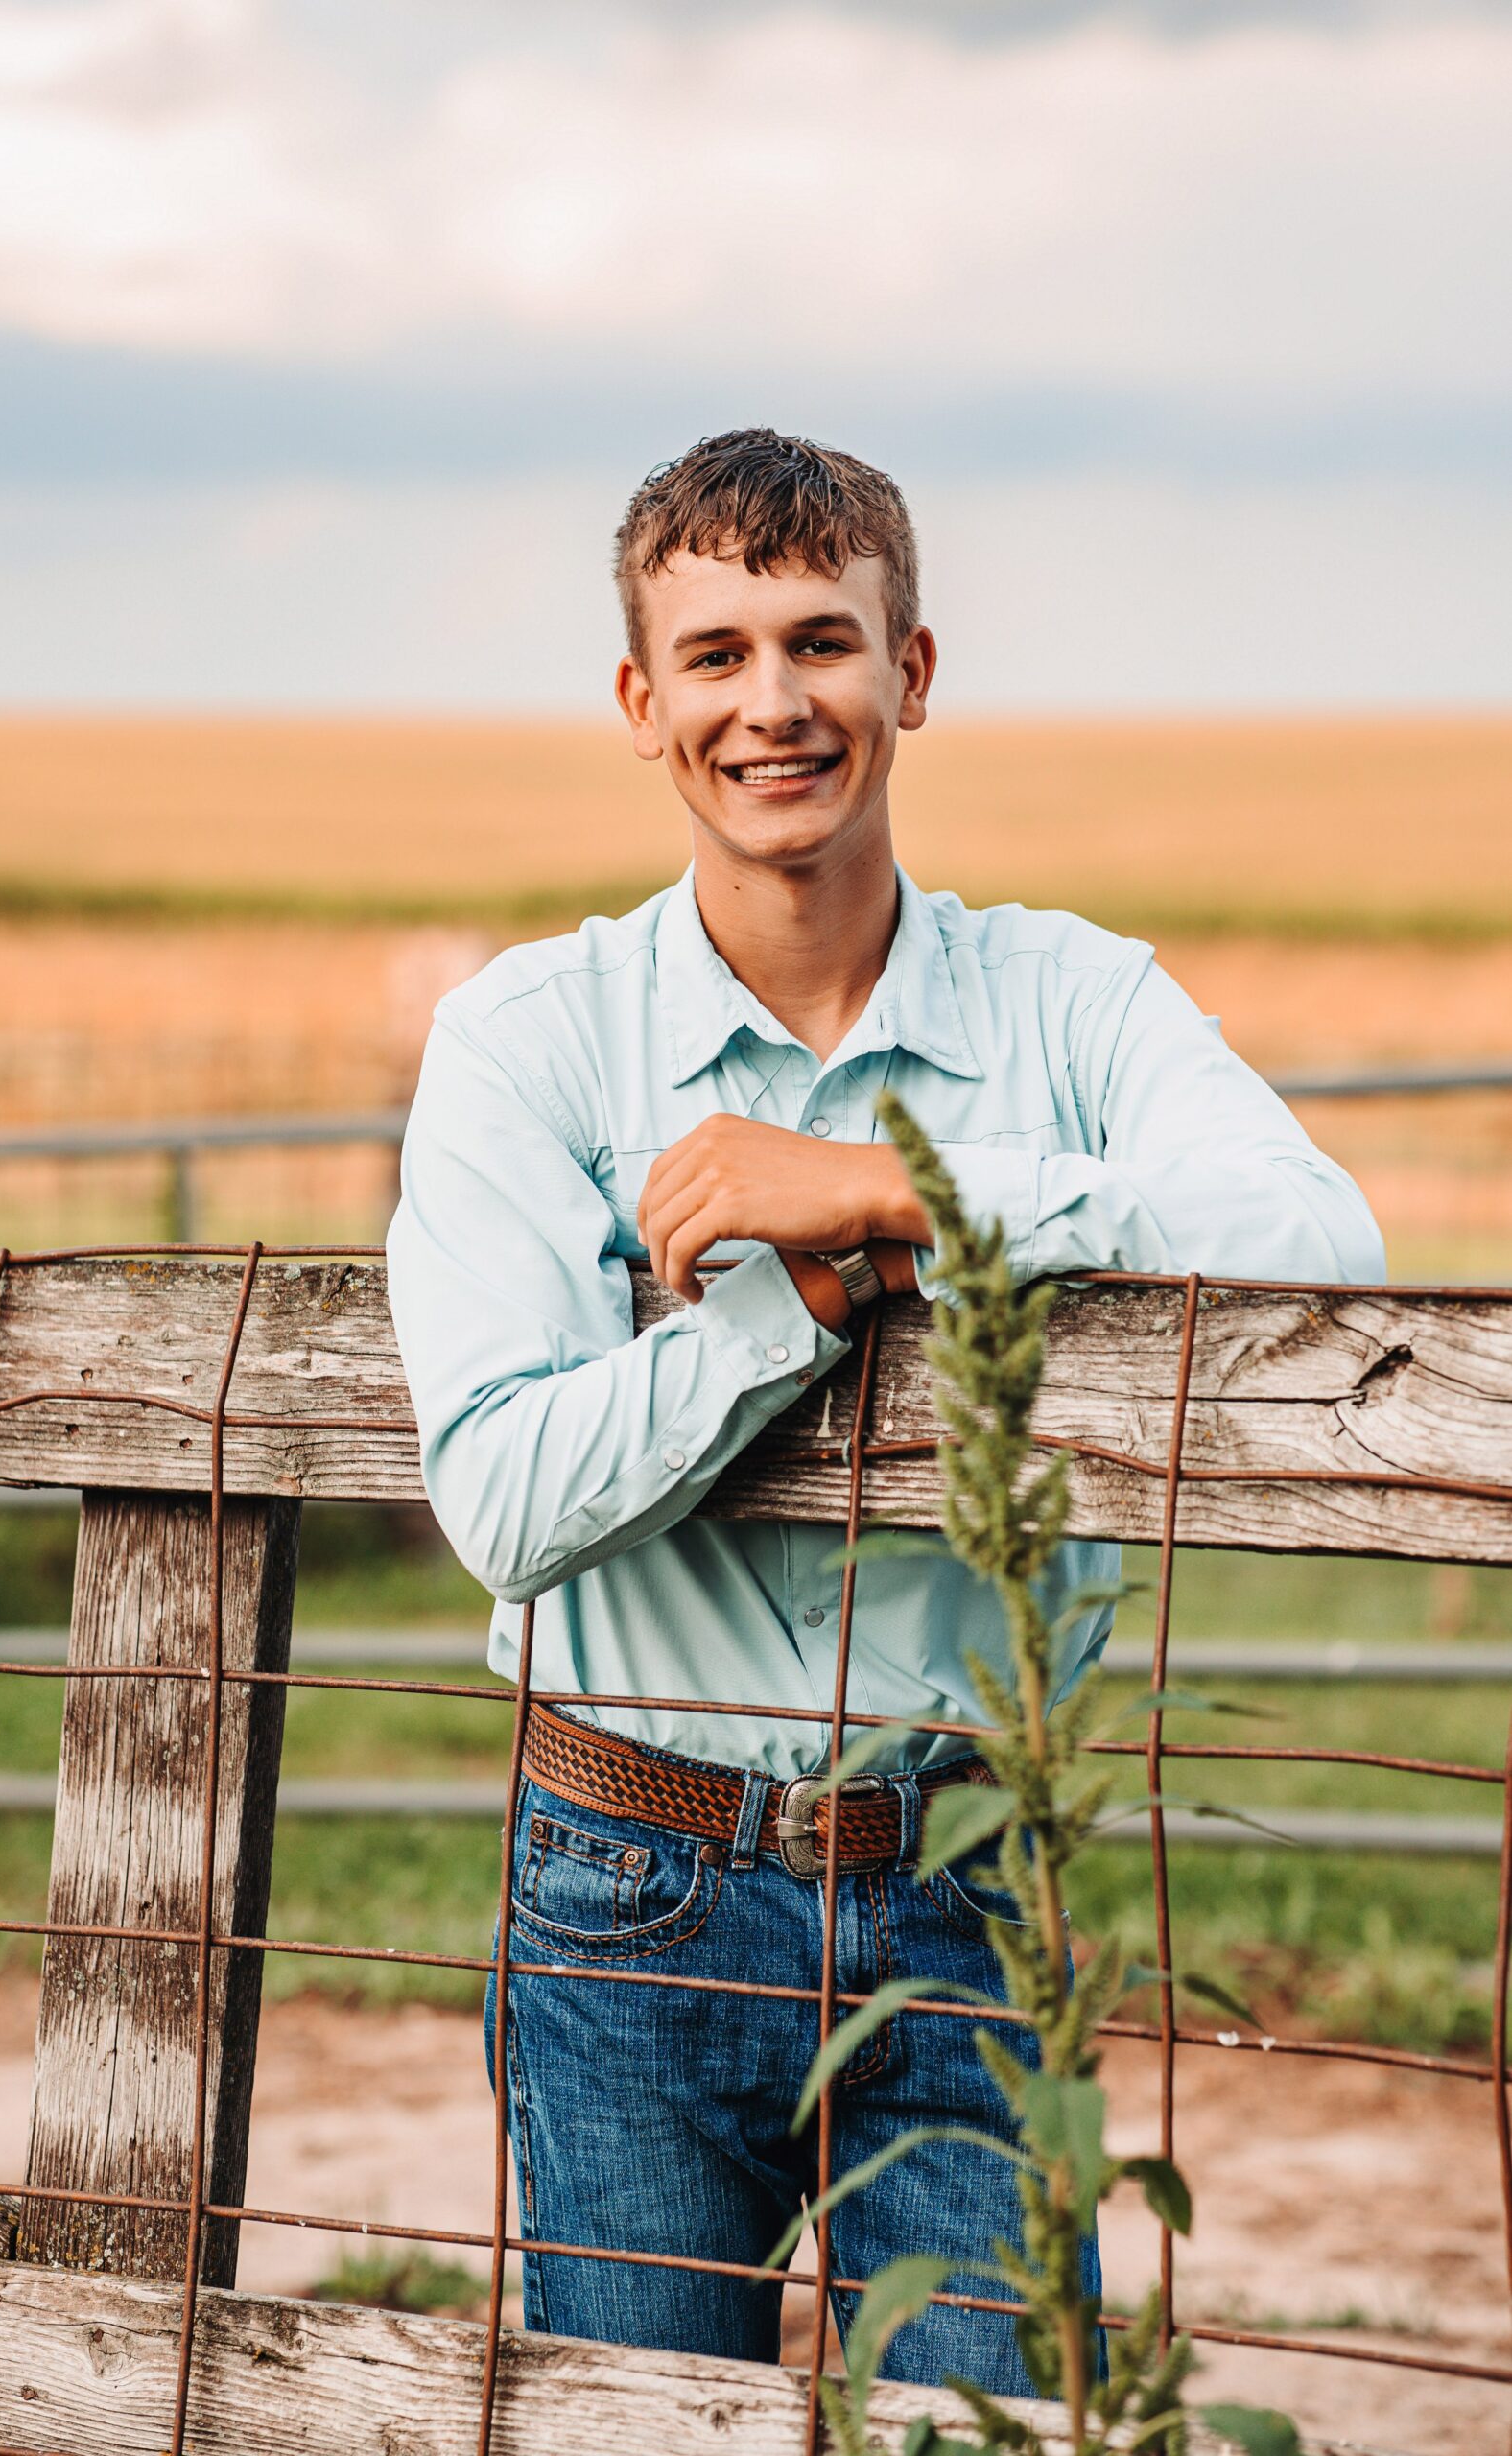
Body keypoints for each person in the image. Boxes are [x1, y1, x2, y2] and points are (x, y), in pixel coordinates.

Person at [386, 427, 1383, 2391]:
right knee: (638, 2434)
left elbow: (1310, 1247)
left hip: (966, 1871)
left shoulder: (1069, 1005)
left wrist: (895, 1188)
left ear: (909, 674)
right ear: (641, 701)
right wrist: (812, 1303)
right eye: (716, 652)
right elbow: (501, 1494)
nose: (774, 702)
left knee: (992, 2426)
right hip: (624, 1883)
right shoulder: (530, 1039)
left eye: (822, 642)